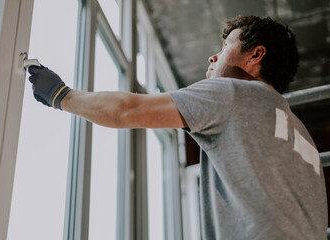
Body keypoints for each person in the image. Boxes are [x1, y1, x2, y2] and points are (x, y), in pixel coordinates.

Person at [28, 16, 327, 239]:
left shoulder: (234, 92)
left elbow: (126, 111)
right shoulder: (299, 129)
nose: (213, 57)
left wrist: (61, 95)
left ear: (255, 55)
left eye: (225, 47)